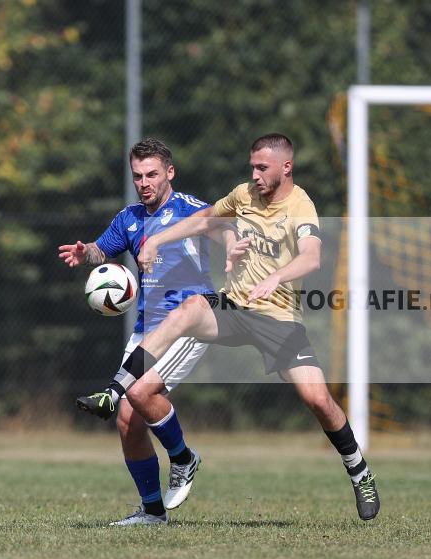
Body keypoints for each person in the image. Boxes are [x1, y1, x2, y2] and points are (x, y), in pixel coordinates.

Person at [78, 133, 380, 521]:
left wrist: (276, 277)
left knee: (317, 399)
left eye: (262, 168)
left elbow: (312, 258)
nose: (254, 175)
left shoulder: (301, 206)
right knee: (188, 309)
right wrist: (156, 242)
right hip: (235, 305)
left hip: (278, 317)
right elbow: (205, 220)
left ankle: (359, 470)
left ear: (285, 167)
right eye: (252, 166)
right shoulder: (243, 194)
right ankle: (114, 391)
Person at [59, 138, 216, 526]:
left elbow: (220, 223)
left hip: (189, 323)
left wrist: (236, 245)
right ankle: (152, 511)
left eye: (151, 175)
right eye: (137, 176)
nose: (144, 183)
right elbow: (102, 249)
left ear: (169, 173)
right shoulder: (129, 218)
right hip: (147, 328)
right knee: (127, 419)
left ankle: (182, 457)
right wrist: (86, 253)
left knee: (136, 394)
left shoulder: (190, 209)